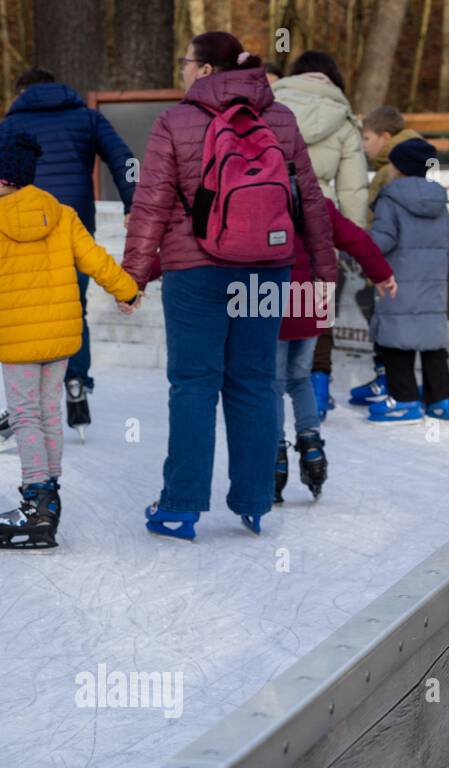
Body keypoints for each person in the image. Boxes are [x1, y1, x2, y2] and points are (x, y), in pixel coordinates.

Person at [122, 31, 336, 540]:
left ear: (206, 70)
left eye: (185, 61)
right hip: (268, 266)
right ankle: (255, 500)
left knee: (195, 384)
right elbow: (308, 197)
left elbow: (150, 204)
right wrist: (325, 272)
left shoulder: (175, 120)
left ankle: (181, 506)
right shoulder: (279, 117)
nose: (181, 69)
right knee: (256, 382)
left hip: (195, 272)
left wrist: (131, 276)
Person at [0, 131, 140, 550]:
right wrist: (126, 291)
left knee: (24, 416)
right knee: (47, 413)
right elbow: (96, 259)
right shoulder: (61, 214)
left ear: (3, 179)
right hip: (59, 338)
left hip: (19, 343)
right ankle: (49, 493)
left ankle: (37, 499)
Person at [0, 67, 137, 443]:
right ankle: (75, 382)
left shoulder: (10, 124)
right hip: (70, 226)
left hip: (14, 234)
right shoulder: (87, 117)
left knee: (24, 314)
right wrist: (132, 203)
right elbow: (123, 158)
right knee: (73, 307)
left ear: (22, 92)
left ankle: (27, 404)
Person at [274, 198, 394, 502]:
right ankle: (311, 445)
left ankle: (274, 453)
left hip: (269, 300)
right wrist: (381, 273)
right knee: (300, 378)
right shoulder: (318, 204)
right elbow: (355, 237)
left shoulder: (260, 198)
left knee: (270, 385)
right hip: (312, 301)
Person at [271, 50, 368, 418]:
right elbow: (354, 189)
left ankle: (270, 384)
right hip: (321, 219)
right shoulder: (343, 120)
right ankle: (317, 386)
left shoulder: (272, 106)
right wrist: (351, 241)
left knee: (272, 299)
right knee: (318, 302)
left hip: (273, 213)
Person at [366, 139, 449, 425]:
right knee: (432, 343)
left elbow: (384, 239)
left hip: (400, 283)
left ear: (398, 167)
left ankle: (405, 400)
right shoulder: (439, 202)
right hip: (432, 286)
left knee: (396, 343)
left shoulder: (390, 198)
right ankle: (441, 399)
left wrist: (360, 248)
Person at [348, 105, 425, 406]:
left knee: (384, 316)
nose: (363, 146)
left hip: (392, 261)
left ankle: (389, 379)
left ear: (385, 136)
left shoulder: (393, 169)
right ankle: (390, 376)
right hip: (401, 260)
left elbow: (385, 219)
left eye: (366, 139)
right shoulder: (412, 158)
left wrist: (370, 251)